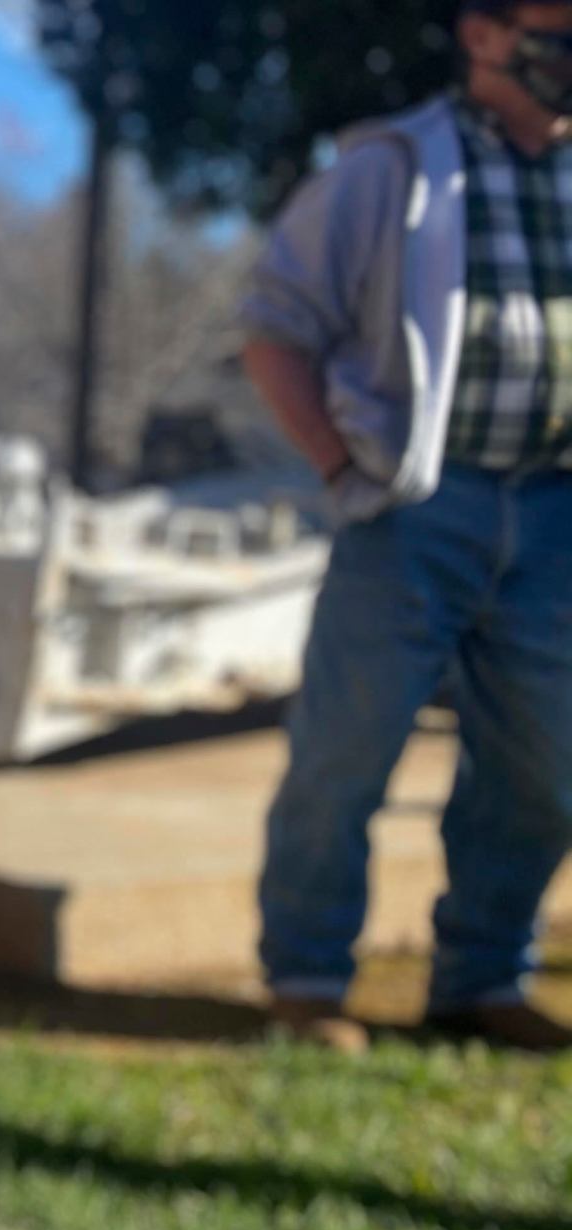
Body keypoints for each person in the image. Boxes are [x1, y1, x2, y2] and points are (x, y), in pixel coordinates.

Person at [241, 0, 572, 1054]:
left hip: (559, 514)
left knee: (544, 766)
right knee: (345, 751)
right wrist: (344, 467)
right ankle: (305, 981)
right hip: (419, 506)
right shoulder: (389, 171)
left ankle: (482, 979)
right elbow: (275, 327)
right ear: (482, 34)